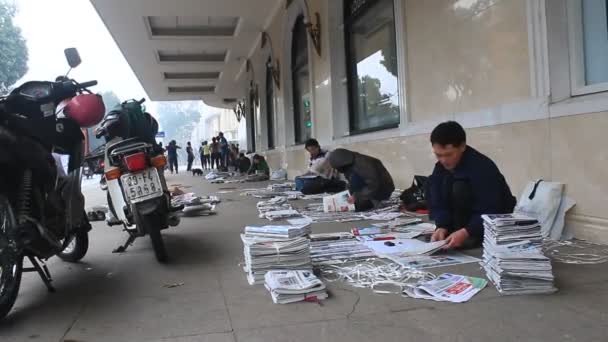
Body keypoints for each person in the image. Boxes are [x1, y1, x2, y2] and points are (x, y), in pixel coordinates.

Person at [428, 121, 517, 250]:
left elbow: (491, 208)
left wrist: (468, 231)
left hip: (488, 230)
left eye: (449, 154)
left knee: (460, 187)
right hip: (458, 230)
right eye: (438, 155)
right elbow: (438, 201)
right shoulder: (440, 169)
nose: (443, 161)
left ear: (462, 146)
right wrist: (442, 225)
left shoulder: (483, 168)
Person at [328, 148, 395, 212]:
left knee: (358, 206)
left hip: (381, 189)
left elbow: (374, 184)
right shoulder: (349, 165)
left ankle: (374, 202)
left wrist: (357, 196)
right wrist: (348, 194)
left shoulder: (363, 164)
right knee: (349, 201)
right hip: (367, 187)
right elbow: (351, 182)